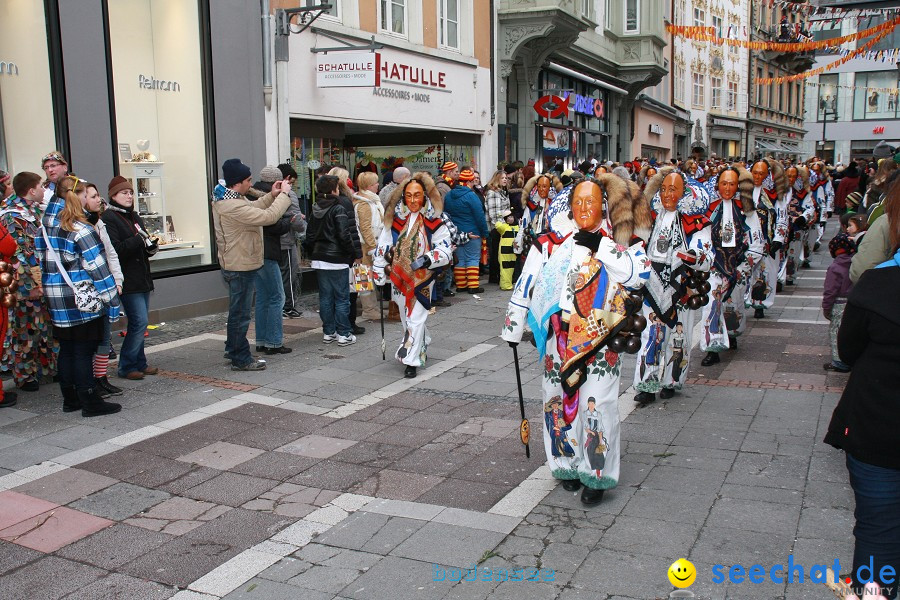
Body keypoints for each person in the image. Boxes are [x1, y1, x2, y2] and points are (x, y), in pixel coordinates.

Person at [500, 176, 651, 505]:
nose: (585, 208)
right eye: (578, 202)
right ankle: (564, 464)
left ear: (604, 205)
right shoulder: (550, 242)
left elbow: (639, 275)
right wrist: (514, 324)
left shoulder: (623, 240)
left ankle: (597, 475)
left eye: (592, 201)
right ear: (570, 206)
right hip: (560, 337)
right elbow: (527, 282)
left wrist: (602, 247)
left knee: (598, 404)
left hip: (602, 338)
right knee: (555, 400)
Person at [823, 194, 900, 599]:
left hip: (878, 427)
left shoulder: (879, 283)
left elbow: (848, 350)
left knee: (877, 529)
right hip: (878, 429)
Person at [35, 176, 122, 417]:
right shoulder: (80, 229)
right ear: (80, 196)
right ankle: (90, 401)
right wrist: (112, 303)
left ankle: (70, 398)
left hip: (56, 296)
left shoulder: (45, 225)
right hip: (81, 297)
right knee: (84, 350)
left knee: (67, 348)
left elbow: (39, 259)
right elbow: (98, 270)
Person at [634, 168, 713, 405]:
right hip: (651, 287)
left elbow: (706, 254)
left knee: (679, 337)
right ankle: (646, 385)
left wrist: (691, 255)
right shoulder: (650, 216)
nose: (668, 194)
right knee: (651, 335)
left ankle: (672, 380)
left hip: (682, 288)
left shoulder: (696, 222)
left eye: (674, 190)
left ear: (684, 193)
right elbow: (636, 242)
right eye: (664, 189)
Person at [211, 158, 292, 370]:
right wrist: (284, 195)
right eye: (247, 180)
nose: (250, 183)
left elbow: (254, 207)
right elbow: (268, 217)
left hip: (239, 262)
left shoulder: (232, 199)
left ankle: (233, 349)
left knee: (237, 312)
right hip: (240, 265)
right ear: (237, 182)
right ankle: (241, 358)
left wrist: (272, 195)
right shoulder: (231, 205)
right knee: (241, 315)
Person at [373, 172, 453, 378]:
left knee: (415, 318)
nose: (413, 200)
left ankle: (410, 360)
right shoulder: (396, 219)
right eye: (409, 196)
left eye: (417, 195)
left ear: (425, 196)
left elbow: (445, 248)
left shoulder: (435, 220)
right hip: (399, 277)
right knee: (405, 317)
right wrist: (379, 269)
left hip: (423, 278)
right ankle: (421, 340)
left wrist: (429, 258)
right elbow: (383, 244)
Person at [1, 172, 58, 393]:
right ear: (31, 190)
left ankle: (44, 369)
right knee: (23, 328)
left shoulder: (32, 210)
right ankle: (25, 374)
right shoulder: (11, 214)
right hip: (24, 283)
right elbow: (19, 254)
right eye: (40, 187)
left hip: (40, 279)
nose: (44, 190)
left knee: (43, 326)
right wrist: (31, 284)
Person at [101, 176, 158, 381]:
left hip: (142, 277)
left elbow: (141, 242)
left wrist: (150, 247)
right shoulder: (109, 218)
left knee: (140, 323)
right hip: (128, 279)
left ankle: (139, 363)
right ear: (113, 196)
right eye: (124, 193)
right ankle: (126, 365)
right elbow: (115, 250)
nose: (129, 196)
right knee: (139, 322)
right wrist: (137, 240)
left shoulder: (133, 215)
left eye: (131, 192)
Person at [700, 165, 753, 365]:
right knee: (712, 305)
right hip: (715, 265)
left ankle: (731, 334)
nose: (728, 188)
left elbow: (754, 240)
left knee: (734, 304)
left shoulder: (745, 209)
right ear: (717, 185)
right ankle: (712, 347)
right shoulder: (710, 209)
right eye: (724, 183)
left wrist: (743, 266)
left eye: (732, 184)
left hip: (738, 264)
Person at [304, 175, 360, 347]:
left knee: (326, 297)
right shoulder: (338, 208)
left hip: (320, 258)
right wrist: (351, 253)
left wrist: (312, 253)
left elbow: (309, 236)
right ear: (335, 190)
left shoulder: (315, 209)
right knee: (342, 298)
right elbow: (344, 235)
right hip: (337, 258)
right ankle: (344, 333)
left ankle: (329, 332)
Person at [81, 183, 124, 398]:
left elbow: (111, 254)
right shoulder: (79, 226)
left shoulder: (100, 223)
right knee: (93, 338)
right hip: (91, 291)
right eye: (93, 196)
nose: (98, 200)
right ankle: (92, 381)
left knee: (105, 338)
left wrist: (118, 281)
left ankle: (101, 378)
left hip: (107, 285)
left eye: (98, 195)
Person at [249, 166, 294, 355]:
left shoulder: (251, 197)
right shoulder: (267, 197)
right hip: (267, 251)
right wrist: (288, 222)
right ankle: (274, 342)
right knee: (277, 296)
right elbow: (271, 222)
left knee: (263, 297)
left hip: (255, 252)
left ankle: (261, 340)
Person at [744, 158, 786, 319]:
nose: (757, 176)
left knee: (765, 273)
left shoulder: (775, 194)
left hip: (766, 240)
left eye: (761, 173)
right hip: (746, 240)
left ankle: (760, 304)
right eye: (755, 172)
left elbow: (782, 217)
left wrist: (778, 239)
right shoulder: (743, 191)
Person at [328, 167, 365, 335]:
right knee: (349, 291)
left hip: (329, 252)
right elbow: (351, 229)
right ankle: (348, 324)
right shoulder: (345, 201)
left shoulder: (324, 201)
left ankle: (333, 326)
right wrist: (357, 253)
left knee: (331, 293)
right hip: (345, 252)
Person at [443, 167, 487, 294]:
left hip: (456, 232)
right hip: (472, 231)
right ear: (469, 182)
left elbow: (447, 213)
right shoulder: (471, 196)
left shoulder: (450, 194)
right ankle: (473, 286)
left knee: (460, 259)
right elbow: (479, 216)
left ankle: (461, 285)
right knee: (472, 258)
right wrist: (484, 232)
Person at [276, 163, 307, 319]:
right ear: (287, 178)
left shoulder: (268, 191)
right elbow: (295, 216)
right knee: (289, 274)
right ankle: (288, 306)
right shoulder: (288, 193)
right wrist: (301, 227)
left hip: (272, 241)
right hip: (286, 239)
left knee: (279, 276)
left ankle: (282, 305)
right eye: (292, 182)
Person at [353, 171, 384, 321]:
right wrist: (373, 247)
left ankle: (372, 307)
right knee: (364, 278)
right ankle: (369, 309)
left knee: (368, 278)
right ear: (369, 186)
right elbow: (365, 228)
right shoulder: (364, 203)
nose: (378, 185)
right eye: (375, 183)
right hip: (365, 246)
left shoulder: (371, 200)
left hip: (371, 245)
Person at [780, 165, 816, 286]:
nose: (790, 179)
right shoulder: (776, 190)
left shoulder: (802, 192)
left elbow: (810, 208)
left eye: (793, 176)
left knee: (793, 253)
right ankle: (777, 277)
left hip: (795, 227)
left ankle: (789, 276)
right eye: (788, 176)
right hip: (779, 228)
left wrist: (803, 217)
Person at [485, 170, 510, 284]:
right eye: (502, 178)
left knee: (499, 252)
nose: (505, 179)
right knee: (495, 252)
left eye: (506, 177)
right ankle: (494, 277)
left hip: (502, 225)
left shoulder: (502, 192)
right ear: (496, 179)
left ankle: (497, 275)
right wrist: (502, 227)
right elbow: (494, 214)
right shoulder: (493, 193)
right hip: (496, 228)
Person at [494, 208, 518, 291]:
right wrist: (500, 217)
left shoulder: (517, 227)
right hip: (505, 252)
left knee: (511, 268)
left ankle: (508, 284)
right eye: (507, 217)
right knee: (505, 269)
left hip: (513, 251)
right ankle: (505, 285)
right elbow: (498, 225)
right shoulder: (504, 227)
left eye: (511, 217)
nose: (510, 219)